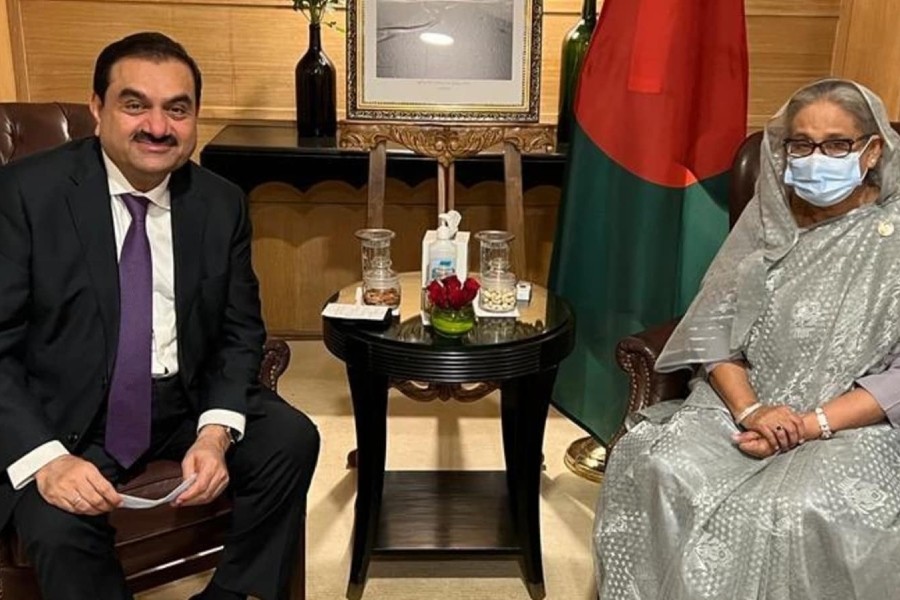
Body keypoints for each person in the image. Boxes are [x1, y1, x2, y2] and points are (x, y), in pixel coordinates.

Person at [0, 32, 319, 600]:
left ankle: (229, 595)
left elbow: (240, 331)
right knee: (57, 523)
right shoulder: (25, 194)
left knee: (290, 439)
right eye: (135, 105)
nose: (157, 127)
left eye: (177, 109)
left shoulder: (220, 202)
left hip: (181, 398)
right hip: (68, 411)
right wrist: (49, 461)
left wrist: (215, 434)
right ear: (97, 108)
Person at [593, 79, 900, 599]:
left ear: (871, 152)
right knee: (659, 464)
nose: (815, 159)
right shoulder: (769, 221)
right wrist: (751, 410)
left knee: (806, 509)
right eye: (801, 144)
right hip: (742, 403)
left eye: (836, 144)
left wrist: (809, 424)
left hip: (851, 421)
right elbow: (713, 328)